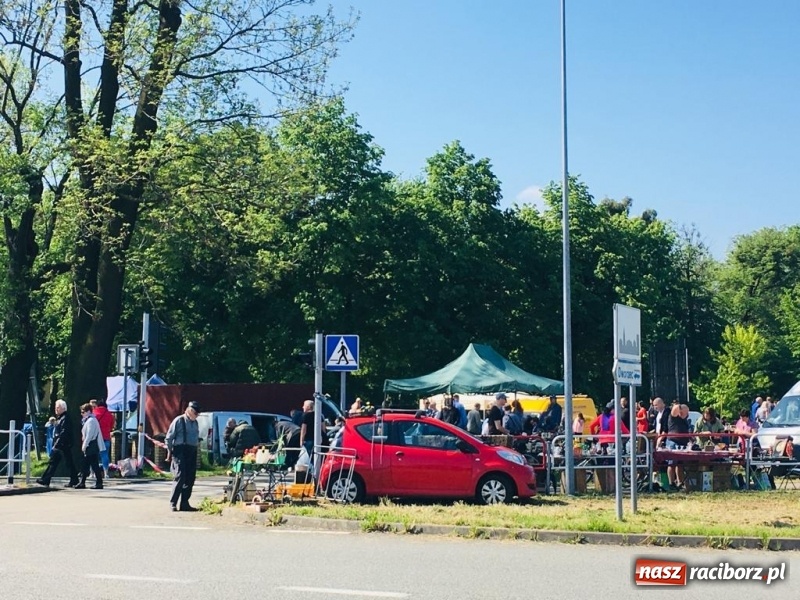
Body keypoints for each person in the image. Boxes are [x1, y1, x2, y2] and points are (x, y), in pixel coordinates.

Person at [165, 401, 201, 512]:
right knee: (180, 477)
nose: (196, 416)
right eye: (195, 413)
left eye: (198, 414)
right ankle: (173, 503)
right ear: (189, 410)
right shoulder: (179, 421)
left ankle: (185, 503)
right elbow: (169, 438)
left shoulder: (195, 423)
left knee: (190, 478)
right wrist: (169, 452)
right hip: (180, 451)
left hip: (191, 451)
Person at [37, 400, 79, 488]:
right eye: (56, 407)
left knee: (56, 462)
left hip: (62, 444)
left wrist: (57, 444)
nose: (56, 409)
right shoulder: (61, 418)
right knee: (65, 462)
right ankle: (74, 479)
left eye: (58, 407)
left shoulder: (65, 418)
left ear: (63, 408)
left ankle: (45, 479)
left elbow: (64, 432)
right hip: (62, 444)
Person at [76, 403, 105, 489]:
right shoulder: (89, 420)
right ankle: (83, 482)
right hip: (91, 445)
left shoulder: (91, 421)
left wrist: (84, 445)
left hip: (91, 445)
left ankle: (98, 482)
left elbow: (89, 435)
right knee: (87, 464)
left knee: (93, 464)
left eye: (83, 412)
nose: (82, 414)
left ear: (88, 411)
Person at [92, 399, 114, 477]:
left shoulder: (94, 413)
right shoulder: (110, 415)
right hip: (106, 437)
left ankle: (93, 473)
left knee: (93, 455)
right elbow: (111, 426)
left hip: (96, 437)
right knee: (104, 455)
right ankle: (106, 473)